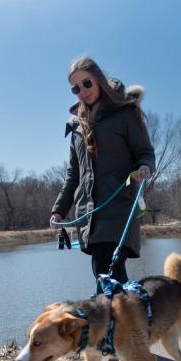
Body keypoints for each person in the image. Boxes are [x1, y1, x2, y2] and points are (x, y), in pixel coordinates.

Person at [50, 56, 156, 286]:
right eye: (75, 88)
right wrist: (59, 210)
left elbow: (145, 152)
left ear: (98, 79)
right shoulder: (76, 127)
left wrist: (144, 167)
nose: (82, 91)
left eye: (87, 83)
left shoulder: (124, 113)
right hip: (89, 215)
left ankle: (130, 317)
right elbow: (73, 175)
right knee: (105, 277)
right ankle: (138, 316)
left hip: (120, 206)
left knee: (106, 272)